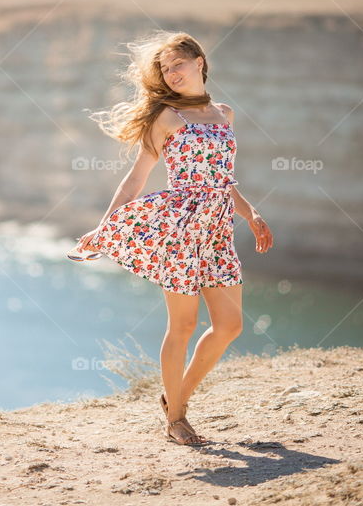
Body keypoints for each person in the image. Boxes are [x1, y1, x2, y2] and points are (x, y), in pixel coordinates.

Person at [73, 30, 274, 446]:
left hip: (218, 229)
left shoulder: (224, 113)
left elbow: (222, 178)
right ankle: (177, 419)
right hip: (182, 228)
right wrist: (105, 226)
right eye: (165, 70)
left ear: (199, 62)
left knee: (230, 325)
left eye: (178, 65)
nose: (172, 74)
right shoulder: (166, 117)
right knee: (182, 324)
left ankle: (174, 397)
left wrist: (250, 211)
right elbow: (135, 181)